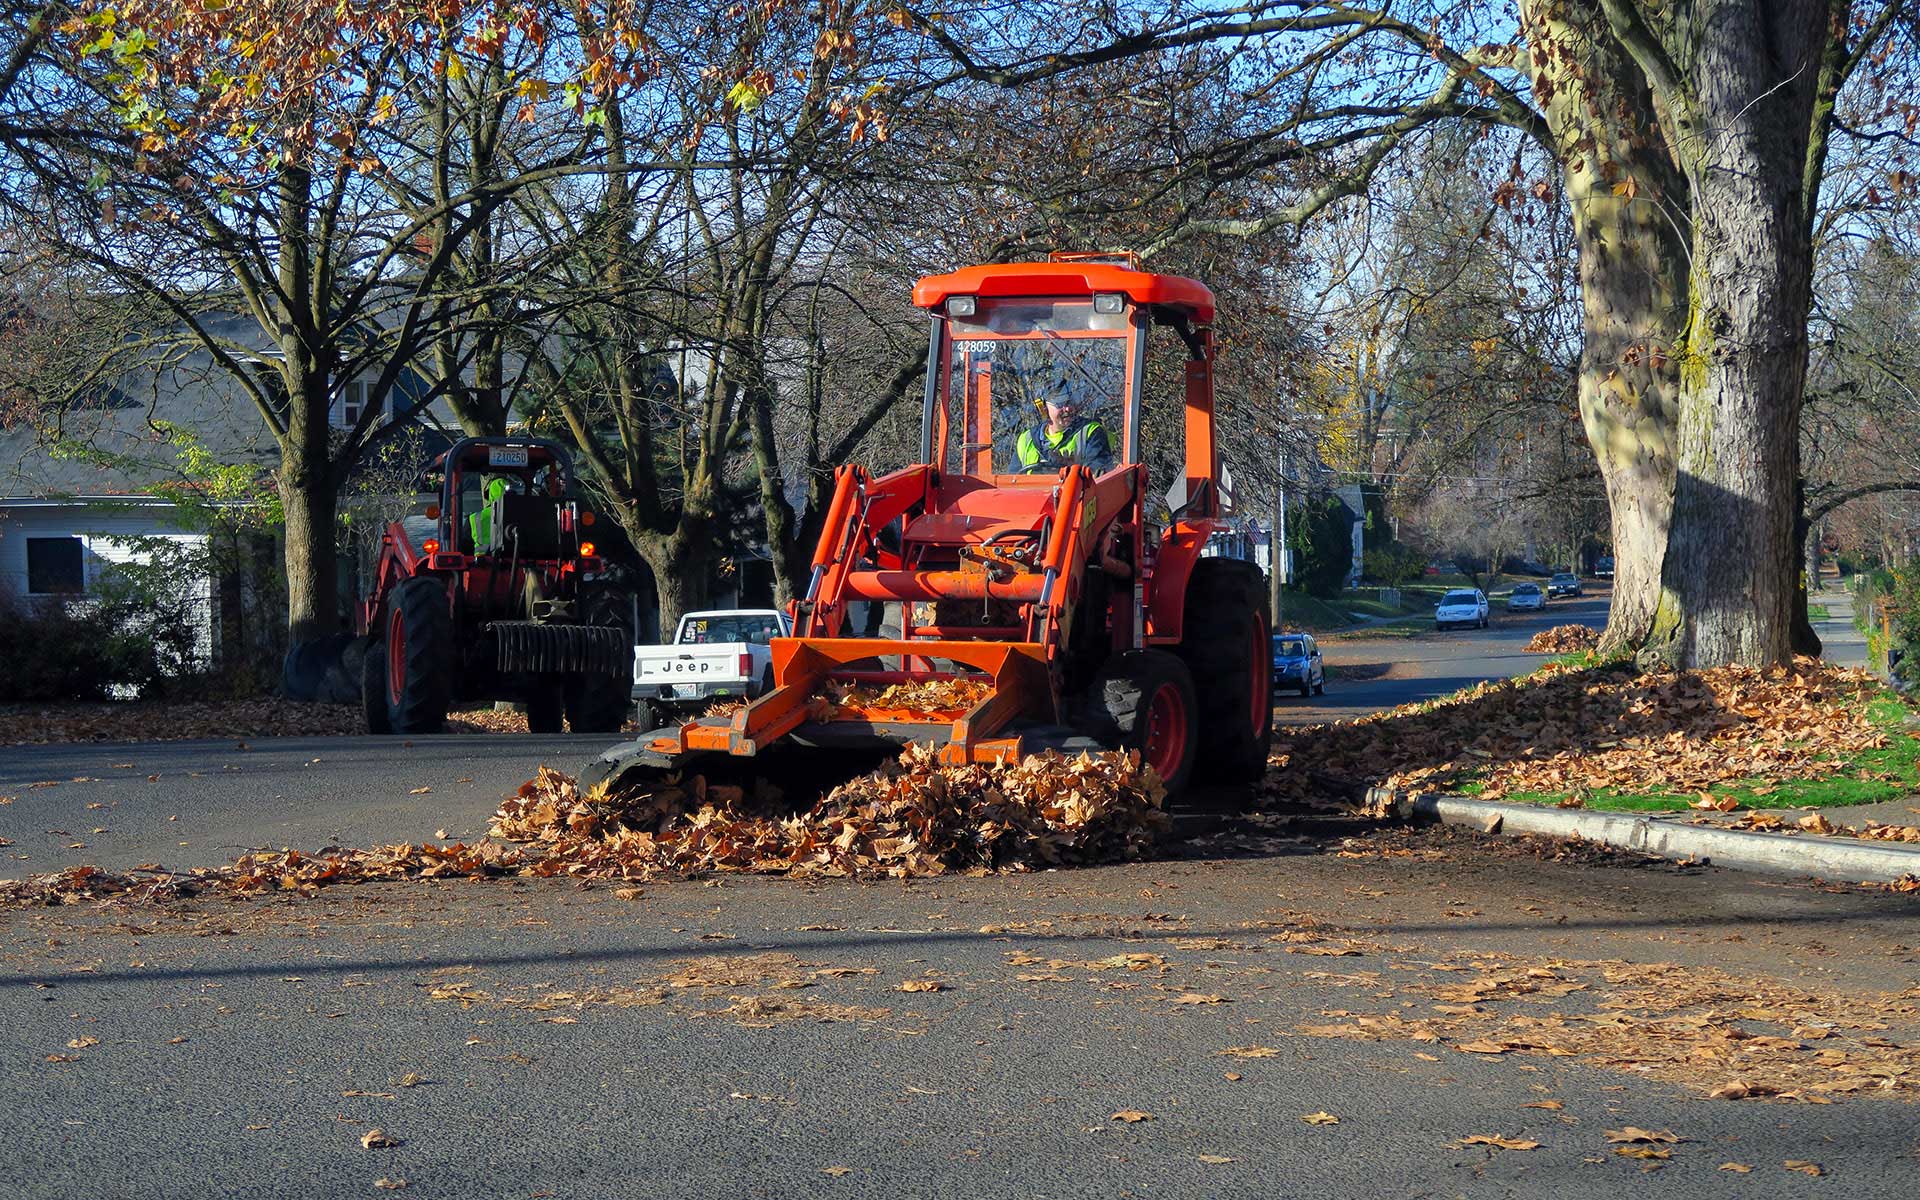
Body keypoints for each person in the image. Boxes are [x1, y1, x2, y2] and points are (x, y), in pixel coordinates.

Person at [1015, 392, 1114, 473]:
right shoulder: (1026, 439)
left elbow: (1098, 477)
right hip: (1033, 496)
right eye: (1060, 404)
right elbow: (1010, 483)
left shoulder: (1091, 432)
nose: (1067, 408)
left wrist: (1073, 468)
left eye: (1070, 402)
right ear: (1043, 409)